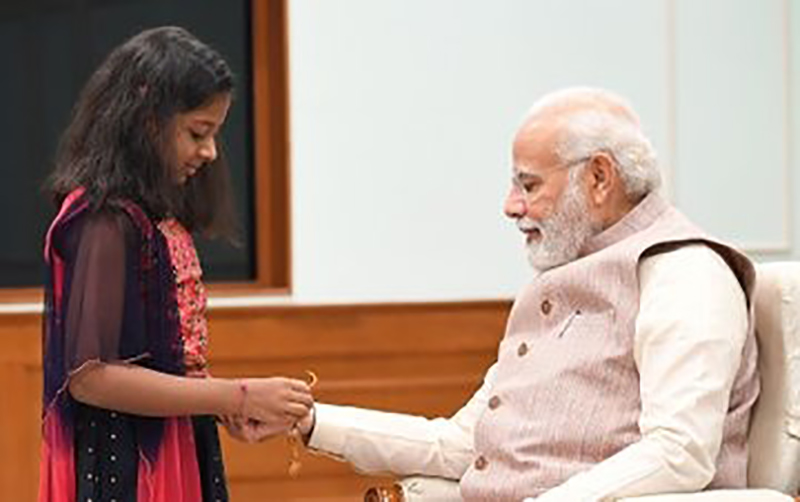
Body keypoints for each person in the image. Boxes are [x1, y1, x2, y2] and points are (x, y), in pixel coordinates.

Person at [297, 87, 759, 501]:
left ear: (599, 178)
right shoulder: (564, 279)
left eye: (529, 184)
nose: (510, 205)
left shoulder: (685, 272)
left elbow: (679, 451)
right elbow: (463, 445)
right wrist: (313, 422)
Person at [38, 26, 313, 502]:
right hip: (126, 465)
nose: (209, 152)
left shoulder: (152, 216)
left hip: (174, 441)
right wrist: (237, 395)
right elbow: (91, 377)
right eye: (198, 132)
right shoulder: (105, 219)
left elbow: (163, 361)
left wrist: (225, 407)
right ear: (147, 120)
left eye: (214, 134)